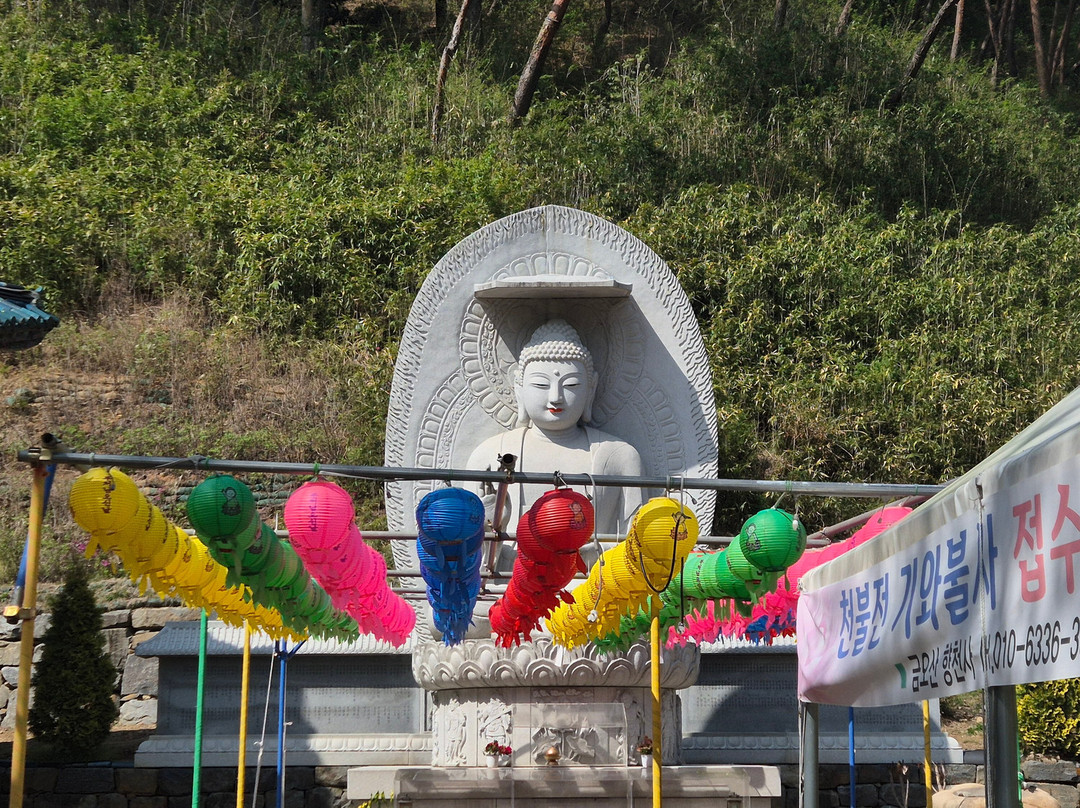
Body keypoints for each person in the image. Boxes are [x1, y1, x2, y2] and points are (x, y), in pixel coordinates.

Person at [466, 319, 645, 551]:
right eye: (541, 385)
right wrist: (491, 528)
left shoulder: (620, 455)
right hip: (513, 573)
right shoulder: (490, 455)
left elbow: (636, 547)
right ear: (519, 388)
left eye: (571, 385)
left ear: (591, 388)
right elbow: (469, 552)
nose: (556, 398)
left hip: (592, 572)